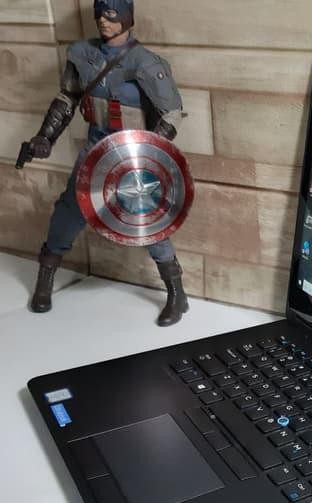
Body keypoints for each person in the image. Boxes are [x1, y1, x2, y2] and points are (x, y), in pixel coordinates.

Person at [27, 0, 189, 326]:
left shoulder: (146, 62)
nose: (104, 20)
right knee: (70, 209)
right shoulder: (82, 54)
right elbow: (67, 98)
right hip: (96, 148)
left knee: (147, 218)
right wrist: (45, 136)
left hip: (132, 154)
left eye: (111, 14)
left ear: (127, 17)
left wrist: (147, 154)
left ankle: (176, 293)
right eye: (99, 13)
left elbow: (171, 114)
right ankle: (45, 278)